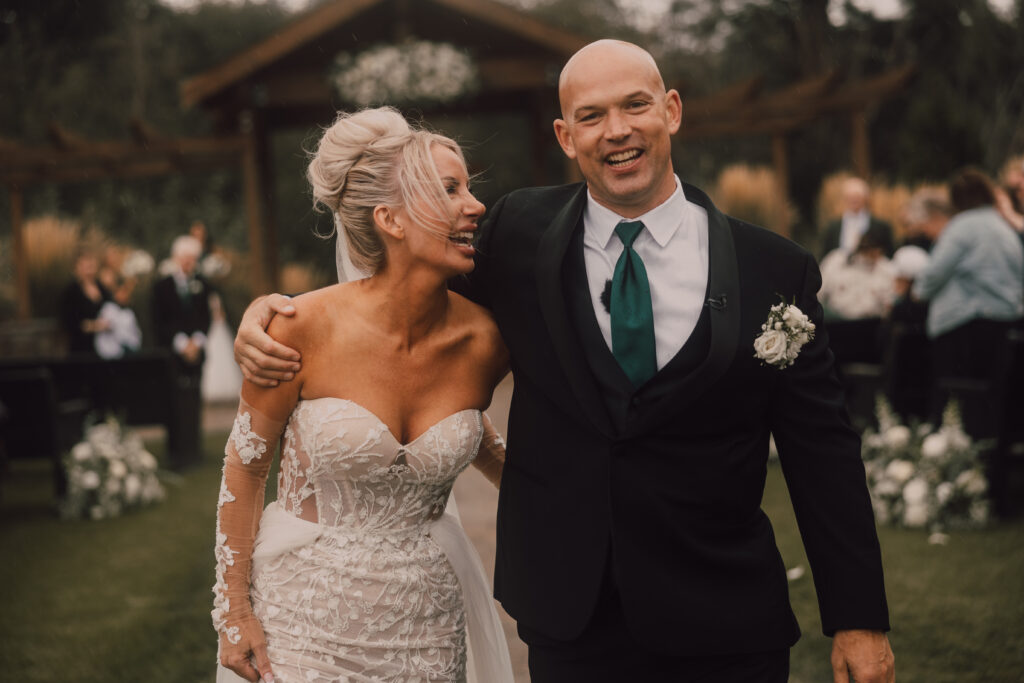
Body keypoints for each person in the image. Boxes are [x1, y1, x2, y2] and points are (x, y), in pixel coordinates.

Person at [238, 41, 894, 682]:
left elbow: (823, 452)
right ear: (564, 135)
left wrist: (859, 620)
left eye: (634, 106)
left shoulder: (774, 269)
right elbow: (393, 307)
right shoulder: (514, 234)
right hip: (571, 621)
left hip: (724, 616)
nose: (617, 131)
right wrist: (270, 314)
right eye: (591, 116)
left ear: (671, 110)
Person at [213, 108, 513, 683]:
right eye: (450, 190)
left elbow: (476, 438)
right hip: (301, 624)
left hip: (427, 626)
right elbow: (245, 470)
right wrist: (234, 611)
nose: (475, 206)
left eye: (469, 188)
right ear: (390, 220)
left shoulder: (488, 341)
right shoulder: (297, 327)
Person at [912, 167, 1024, 515]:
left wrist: (917, 293)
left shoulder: (963, 227)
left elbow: (930, 277)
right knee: (998, 409)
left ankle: (954, 490)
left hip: (964, 330)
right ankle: (995, 491)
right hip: (1005, 329)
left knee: (958, 409)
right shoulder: (1003, 226)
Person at [151, 235, 214, 467]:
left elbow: (206, 318)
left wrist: (196, 342)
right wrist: (181, 344)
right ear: (176, 258)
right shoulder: (162, 287)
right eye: (185, 258)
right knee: (174, 400)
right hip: (172, 354)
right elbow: (159, 321)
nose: (188, 263)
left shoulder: (203, 285)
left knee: (194, 399)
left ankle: (194, 448)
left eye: (192, 259)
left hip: (197, 352)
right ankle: (176, 451)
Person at [820, 176, 896, 259]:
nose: (854, 200)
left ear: (865, 198)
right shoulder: (833, 227)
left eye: (857, 197)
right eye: (850, 197)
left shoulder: (881, 227)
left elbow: (888, 254)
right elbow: (825, 256)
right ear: (845, 198)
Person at [59, 250, 113, 355]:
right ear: (76, 268)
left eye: (92, 266)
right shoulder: (70, 293)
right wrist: (95, 326)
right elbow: (70, 323)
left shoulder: (103, 289)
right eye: (86, 266)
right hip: (81, 350)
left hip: (106, 349)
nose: (89, 270)